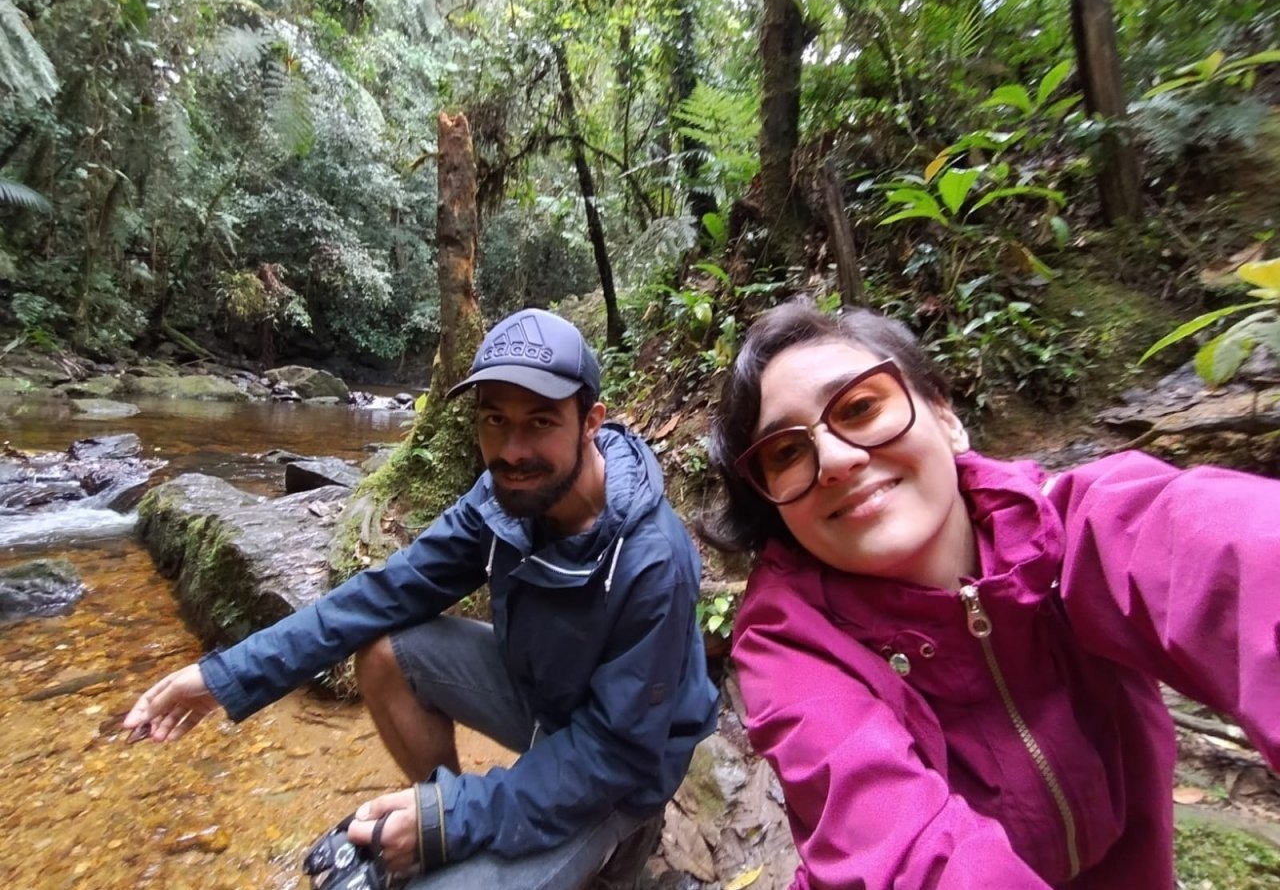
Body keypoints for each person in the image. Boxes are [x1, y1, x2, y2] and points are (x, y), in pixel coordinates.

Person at [125, 307, 720, 890]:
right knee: (387, 651)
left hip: (621, 767)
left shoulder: (652, 562)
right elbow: (384, 594)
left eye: (540, 422)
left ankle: (614, 846)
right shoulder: (502, 499)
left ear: (591, 422)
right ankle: (453, 821)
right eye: (494, 420)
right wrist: (225, 677)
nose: (512, 450)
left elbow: (616, 754)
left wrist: (448, 821)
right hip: (543, 694)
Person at [699, 298, 1280, 889]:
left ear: (945, 416)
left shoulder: (1081, 526)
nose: (836, 460)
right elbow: (898, 850)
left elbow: (1237, 558)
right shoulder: (790, 645)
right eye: (788, 452)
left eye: (860, 407)